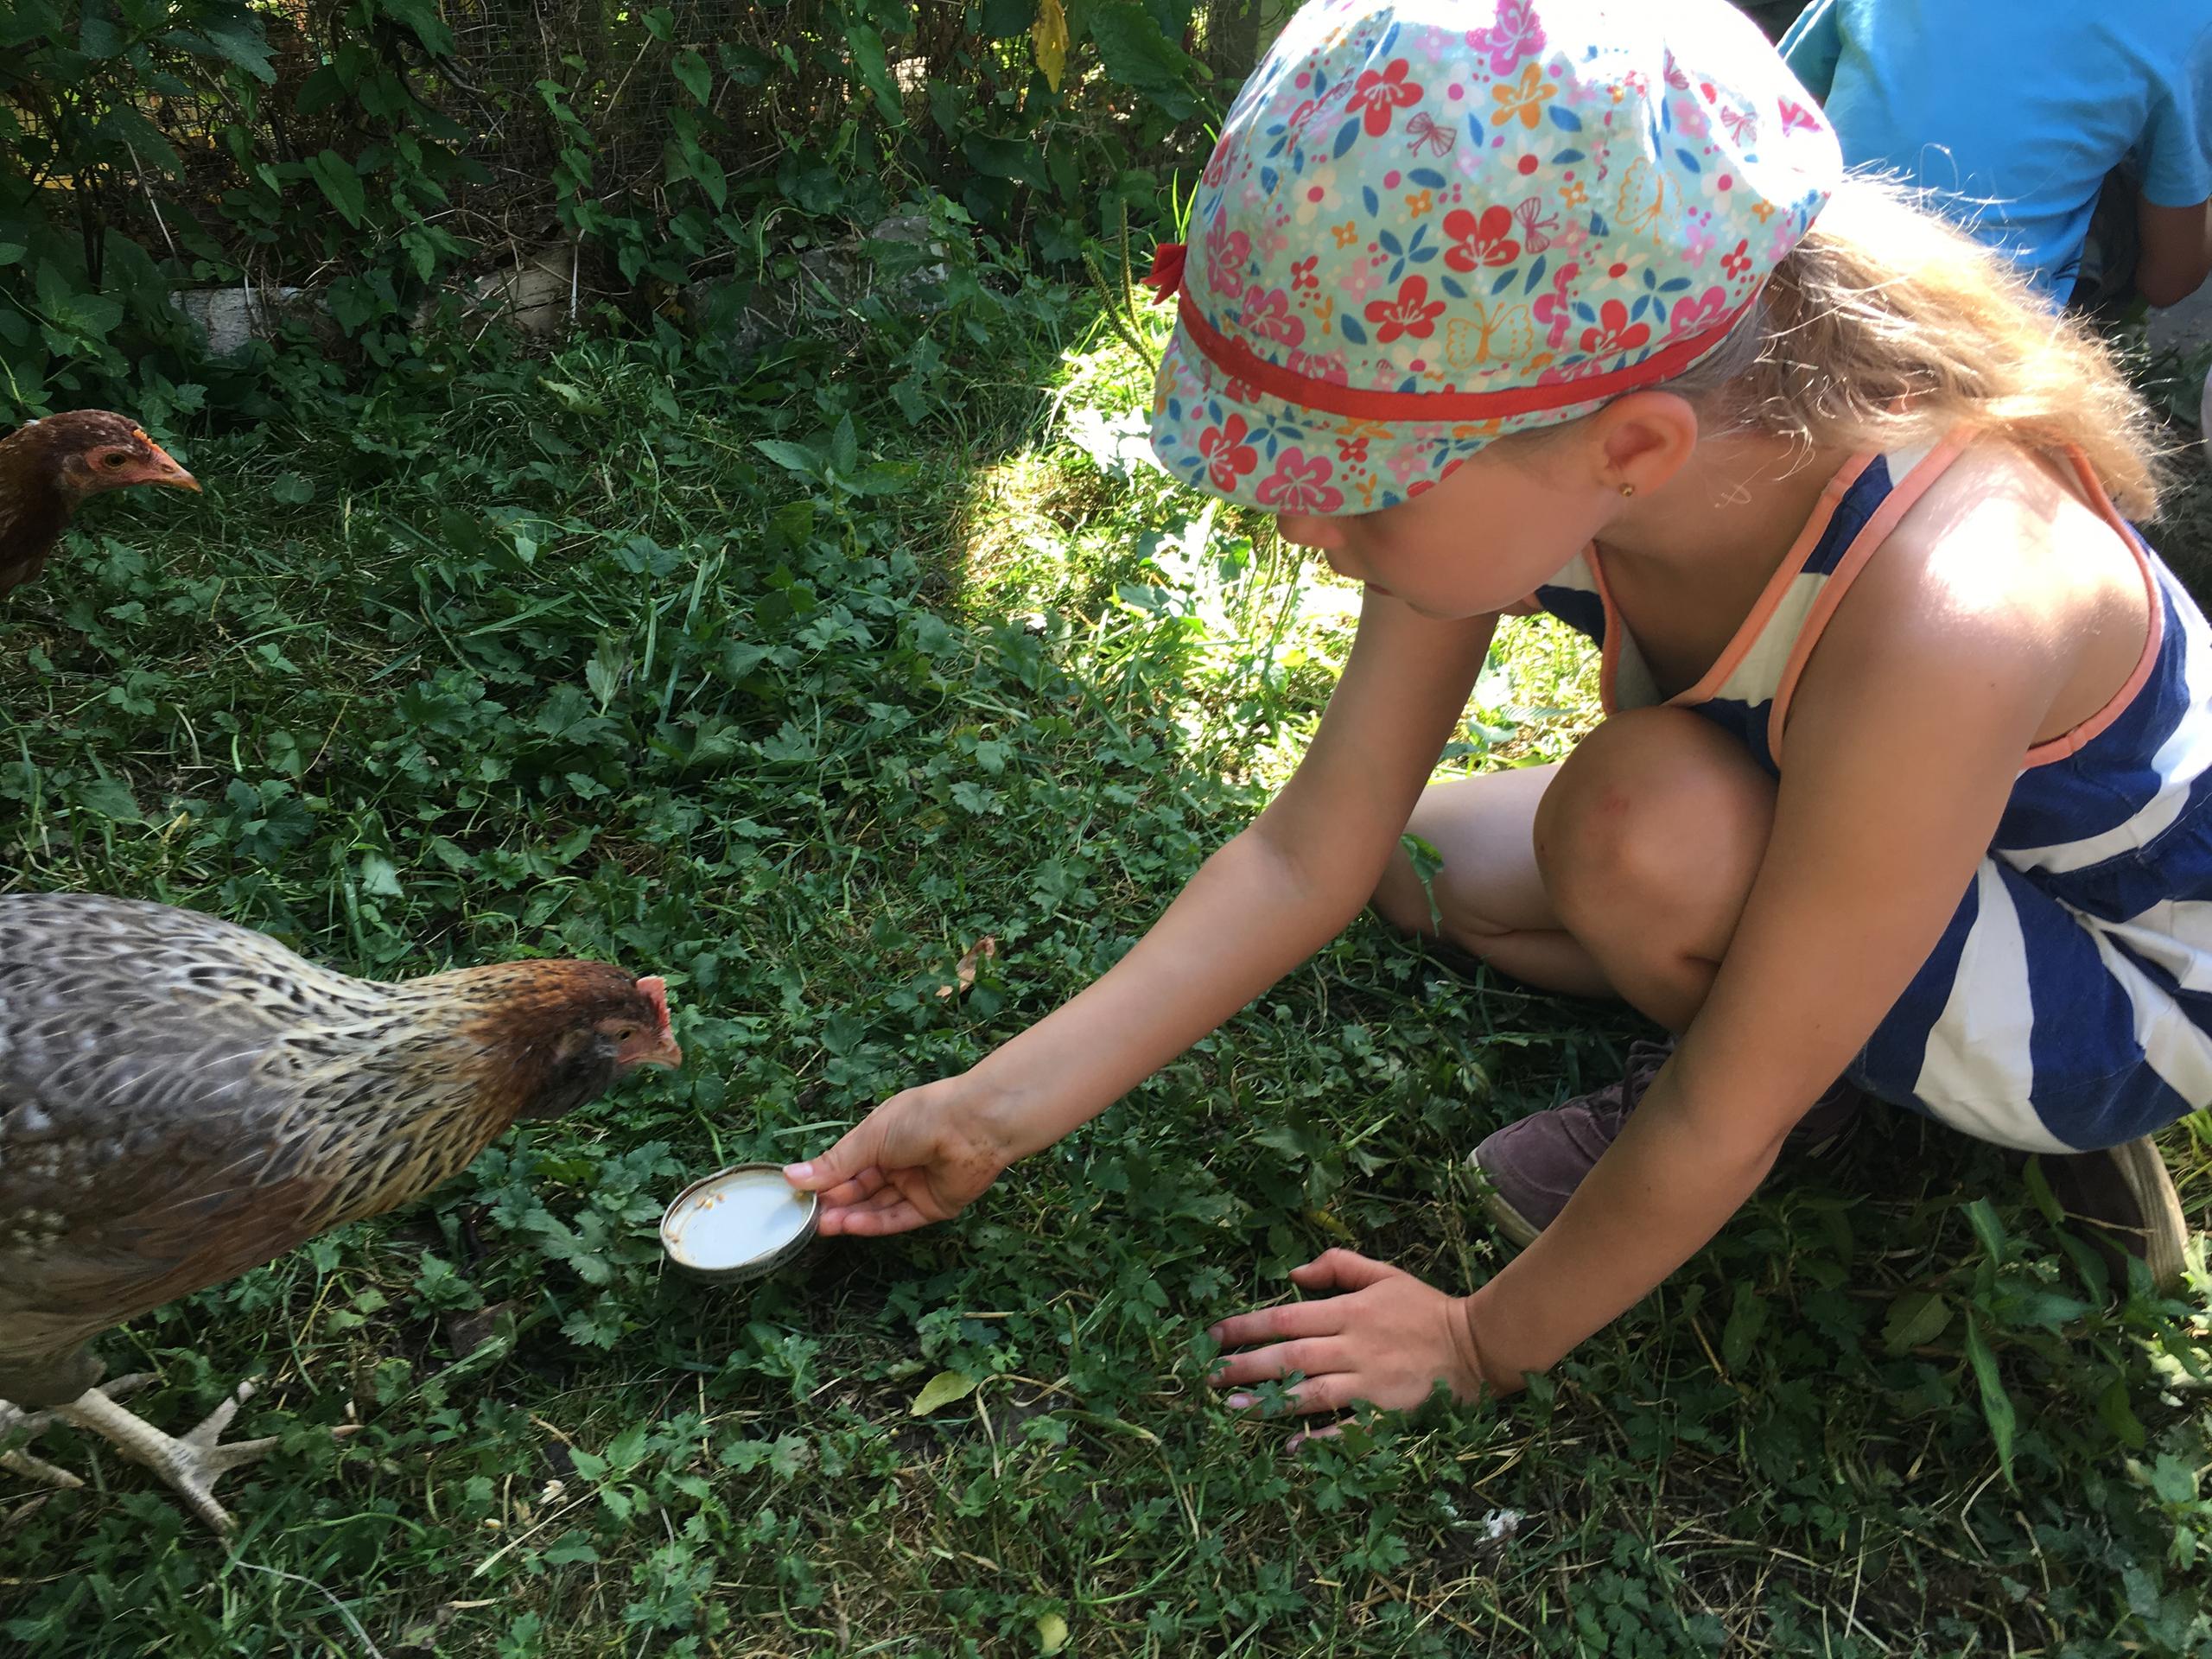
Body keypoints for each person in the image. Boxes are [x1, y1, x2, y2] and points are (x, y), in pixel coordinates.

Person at [785, 0, 2204, 1423]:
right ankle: (1811, 990)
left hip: (2119, 983)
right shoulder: (1565, 427)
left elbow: (1721, 1114)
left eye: (1356, 484)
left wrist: (1474, 1342)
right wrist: (988, 1109)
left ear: (1631, 449)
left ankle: (1865, 1079)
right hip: (1843, 799)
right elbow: (1311, 855)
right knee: (1426, 871)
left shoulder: (1948, 610)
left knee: (1634, 830)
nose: (1297, 522)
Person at [1779, 0, 2212, 313]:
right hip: (1980, 342)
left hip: (1792, 276)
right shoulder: (2190, 18)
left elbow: (1775, 109)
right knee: (2149, 162)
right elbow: (2168, 280)